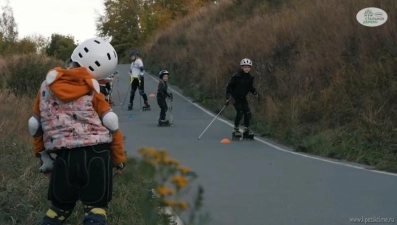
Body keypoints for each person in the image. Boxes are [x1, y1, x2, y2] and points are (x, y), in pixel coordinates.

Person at [27, 37, 126, 225]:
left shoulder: (45, 88)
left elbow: (34, 125)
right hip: (97, 154)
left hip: (63, 156)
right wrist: (118, 158)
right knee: (96, 210)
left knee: (59, 209)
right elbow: (111, 124)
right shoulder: (92, 90)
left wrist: (43, 157)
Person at [225, 58, 259, 137]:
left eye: (248, 67)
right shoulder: (236, 76)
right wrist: (228, 97)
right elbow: (229, 87)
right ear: (241, 67)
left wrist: (255, 92)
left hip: (243, 97)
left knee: (248, 113)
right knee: (240, 112)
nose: (247, 69)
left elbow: (250, 87)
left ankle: (246, 130)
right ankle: (236, 129)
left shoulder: (250, 77)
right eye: (245, 67)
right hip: (235, 97)